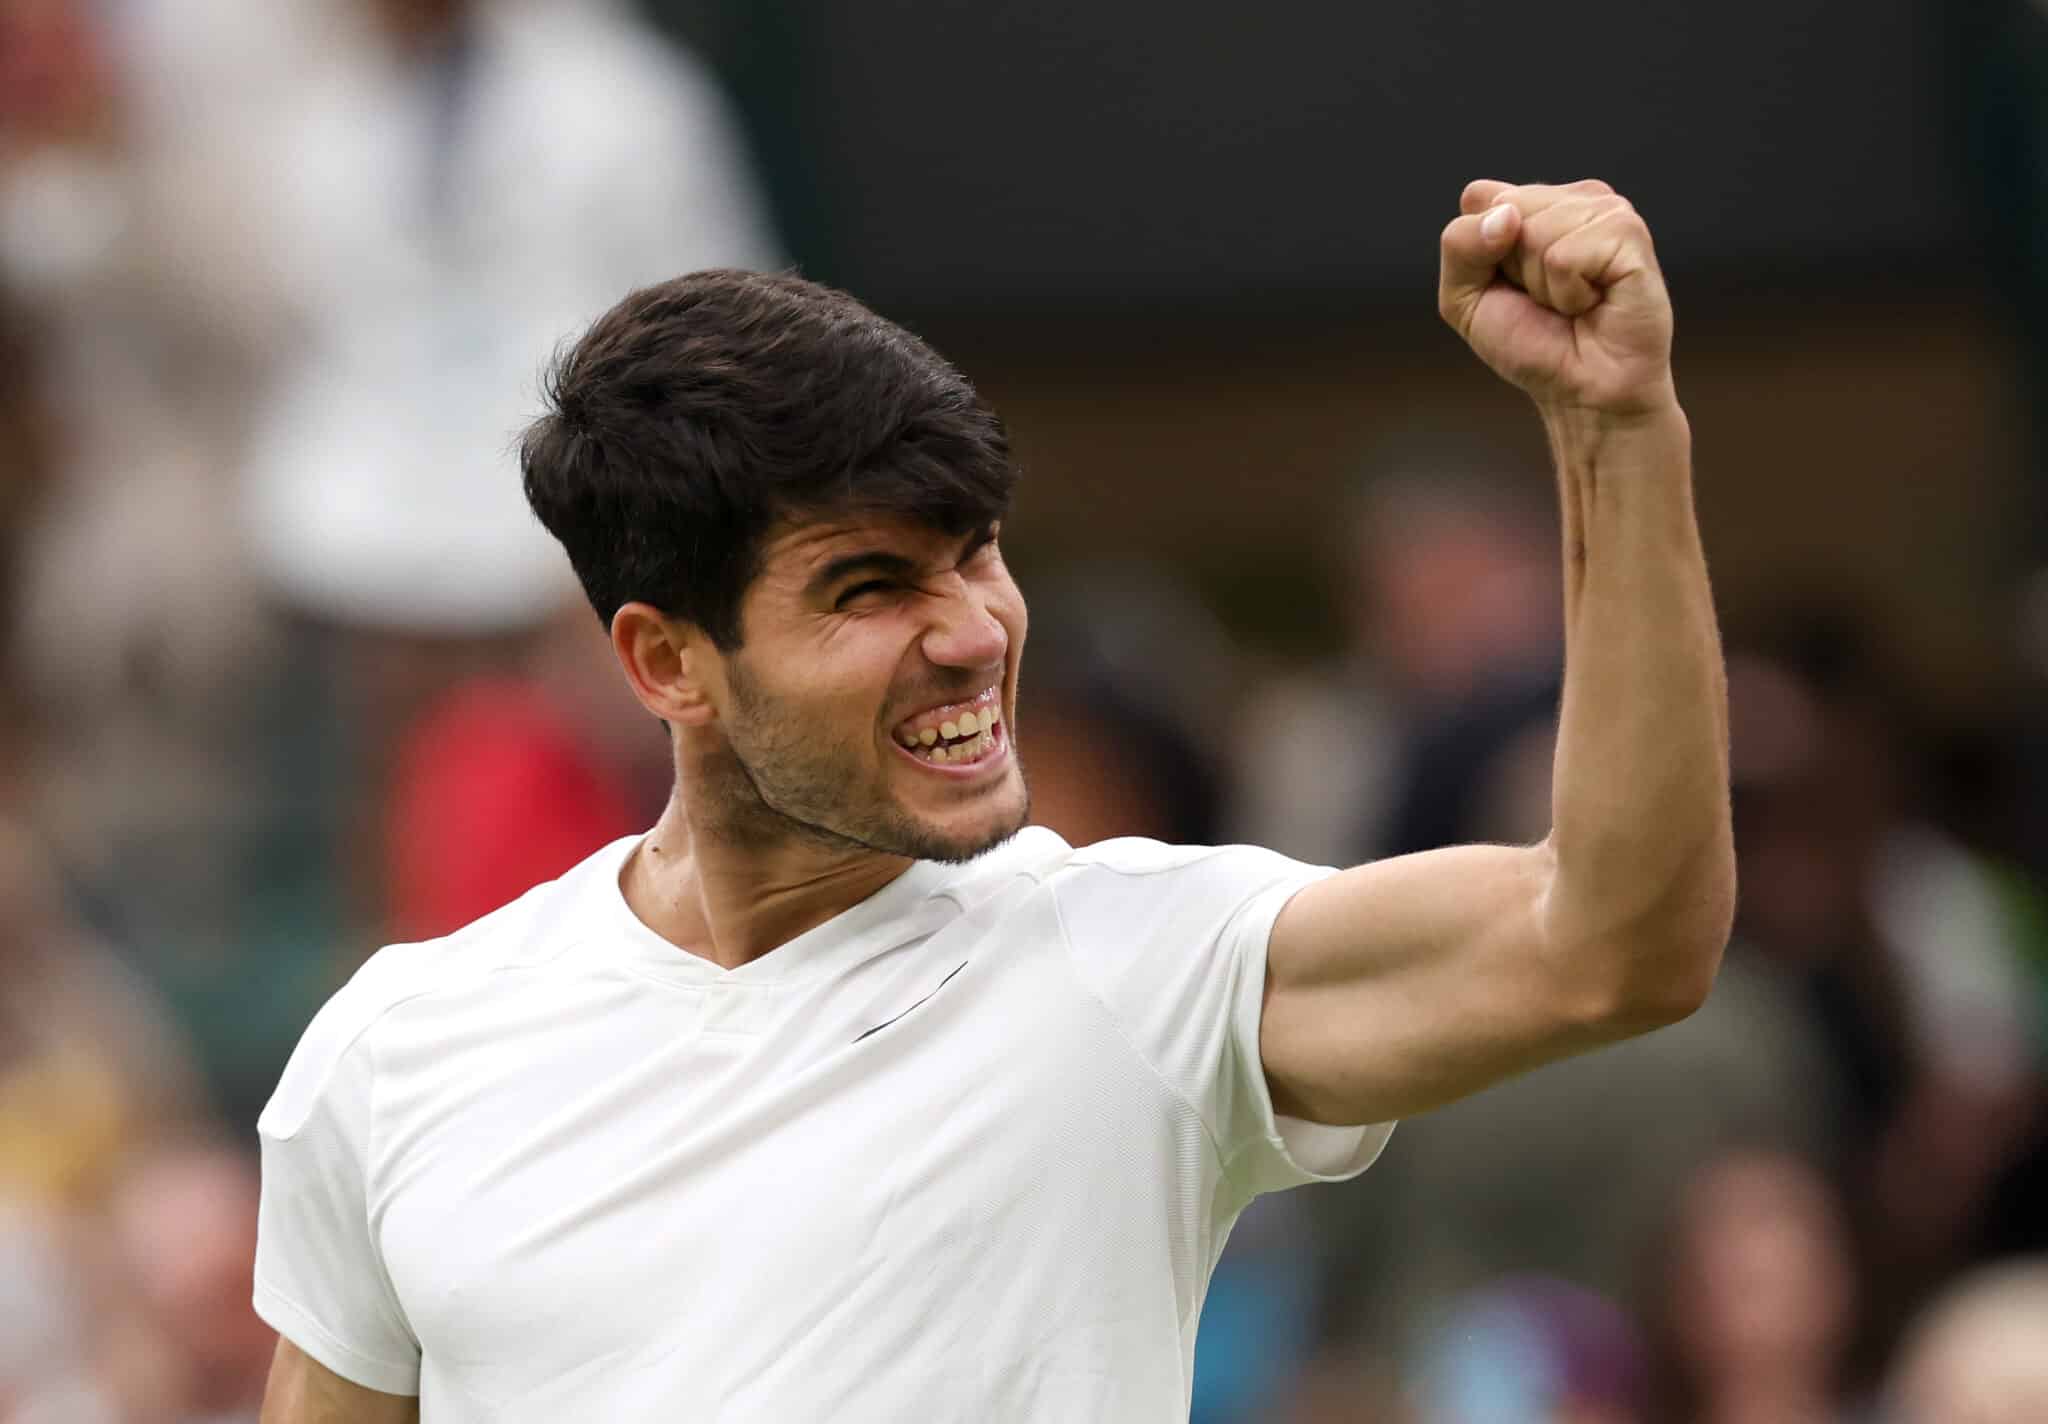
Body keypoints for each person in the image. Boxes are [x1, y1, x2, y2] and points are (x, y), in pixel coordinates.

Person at [252, 179, 1735, 1422]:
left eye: (976, 553)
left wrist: (1620, 432)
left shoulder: (1144, 963)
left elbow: (1614, 941)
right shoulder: (398, 1054)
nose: (971, 629)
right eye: (869, 586)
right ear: (668, 663)